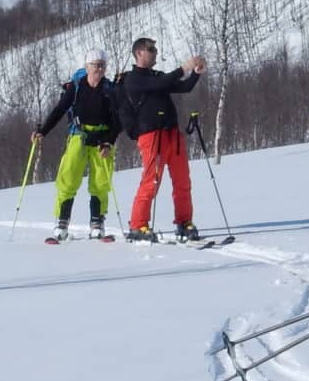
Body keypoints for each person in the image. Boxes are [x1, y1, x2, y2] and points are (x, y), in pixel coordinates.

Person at [120, 36, 206, 242]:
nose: (155, 53)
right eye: (151, 49)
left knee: (183, 180)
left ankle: (184, 222)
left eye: (156, 49)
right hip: (152, 135)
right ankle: (138, 225)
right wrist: (183, 68)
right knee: (152, 181)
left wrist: (195, 74)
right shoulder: (134, 78)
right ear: (139, 53)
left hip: (172, 134)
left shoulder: (157, 76)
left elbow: (182, 87)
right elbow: (159, 84)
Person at [32, 49, 121, 239]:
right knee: (68, 177)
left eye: (102, 65)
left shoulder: (110, 89)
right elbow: (60, 109)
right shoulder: (77, 86)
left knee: (101, 182)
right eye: (95, 64)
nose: (99, 68)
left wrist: (108, 142)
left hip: (101, 139)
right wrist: (43, 131)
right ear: (87, 66)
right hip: (78, 136)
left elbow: (117, 120)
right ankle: (61, 222)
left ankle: (97, 222)